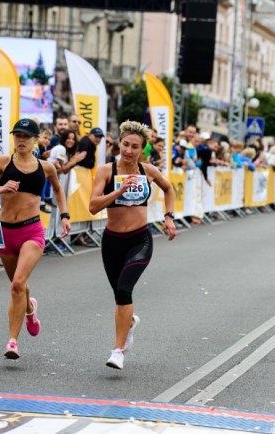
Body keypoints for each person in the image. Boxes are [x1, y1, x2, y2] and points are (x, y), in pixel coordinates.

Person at [0, 118, 71, 359]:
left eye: (26, 136)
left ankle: (12, 341)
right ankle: (30, 308)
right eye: (17, 136)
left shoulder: (46, 167)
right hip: (5, 232)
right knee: (20, 286)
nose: (21, 140)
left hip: (32, 231)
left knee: (17, 284)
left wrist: (65, 215)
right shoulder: (1, 162)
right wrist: (1, 189)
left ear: (36, 140)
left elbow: (57, 189)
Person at [89, 120, 177, 370]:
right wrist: (118, 191)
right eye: (125, 144)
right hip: (112, 241)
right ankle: (128, 324)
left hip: (140, 239)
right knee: (119, 296)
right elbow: (93, 206)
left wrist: (169, 217)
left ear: (142, 149)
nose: (128, 150)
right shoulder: (107, 171)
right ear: (119, 143)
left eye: (134, 147)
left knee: (125, 290)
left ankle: (118, 351)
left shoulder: (148, 171)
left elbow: (169, 190)